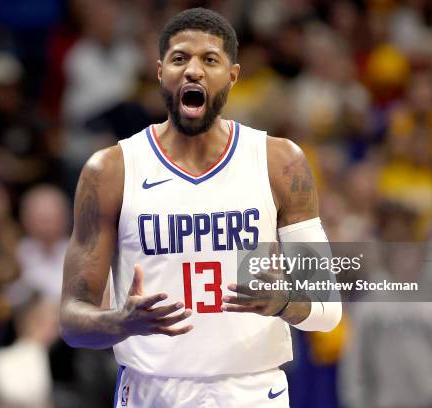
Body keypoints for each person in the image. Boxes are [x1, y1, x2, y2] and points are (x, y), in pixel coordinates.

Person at [60, 8, 341, 408]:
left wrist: (282, 302)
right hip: (150, 389)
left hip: (252, 389)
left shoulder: (280, 162)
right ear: (160, 72)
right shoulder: (110, 170)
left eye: (209, 59)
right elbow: (72, 320)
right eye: (179, 58)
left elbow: (327, 307)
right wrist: (122, 321)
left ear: (233, 75)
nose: (193, 70)